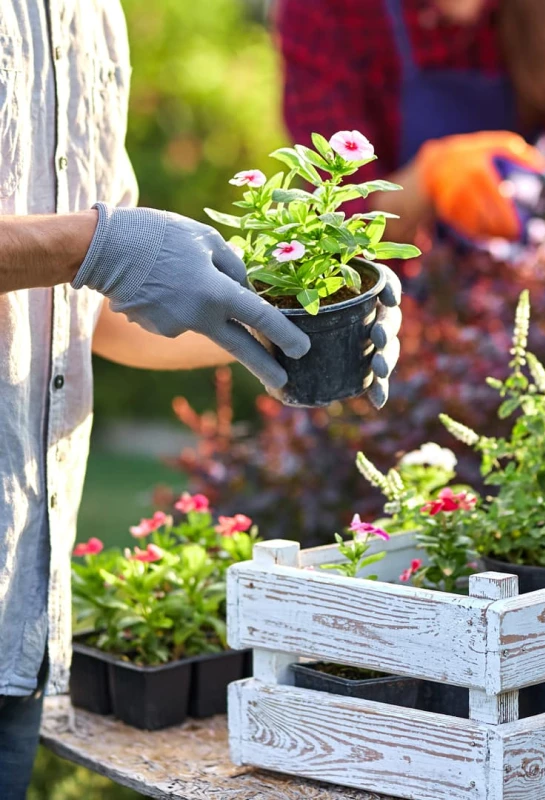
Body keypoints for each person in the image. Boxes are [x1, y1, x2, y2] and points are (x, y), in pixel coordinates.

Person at [0, 4, 401, 797]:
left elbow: (97, 314)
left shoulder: (87, 15)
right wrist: (92, 244)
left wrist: (281, 331)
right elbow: (89, 255)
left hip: (15, 615)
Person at [276, 0, 545, 243]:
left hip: (536, 261)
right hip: (406, 301)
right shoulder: (325, 11)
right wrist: (427, 180)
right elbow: (336, 216)